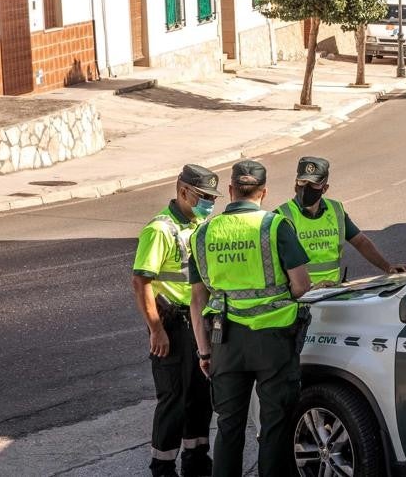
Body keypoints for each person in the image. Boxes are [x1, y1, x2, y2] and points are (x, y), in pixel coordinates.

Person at [189, 160, 311, 477]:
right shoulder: (275, 226)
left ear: (230, 191)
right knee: (275, 425)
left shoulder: (203, 234)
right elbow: (301, 284)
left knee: (229, 427)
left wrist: (204, 351)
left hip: (224, 341)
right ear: (263, 192)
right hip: (274, 342)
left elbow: (197, 298)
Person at [132, 165, 221, 477]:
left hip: (199, 323)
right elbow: (141, 281)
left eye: (212, 198)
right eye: (203, 196)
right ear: (183, 191)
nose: (208, 203)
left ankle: (196, 462)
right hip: (172, 325)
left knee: (200, 398)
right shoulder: (160, 229)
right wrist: (156, 329)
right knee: (174, 399)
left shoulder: (200, 225)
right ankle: (163, 466)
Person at [277, 156, 406, 286]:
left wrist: (387, 267)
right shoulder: (281, 215)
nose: (306, 188)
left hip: (332, 292)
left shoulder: (335, 211)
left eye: (313, 184)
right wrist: (308, 287)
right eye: (303, 182)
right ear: (296, 183)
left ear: (325, 188)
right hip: (299, 297)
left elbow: (361, 242)